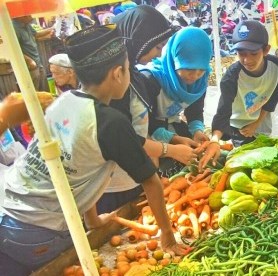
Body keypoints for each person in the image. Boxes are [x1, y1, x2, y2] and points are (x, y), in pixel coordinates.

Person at [0, 24, 189, 275]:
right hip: (35, 229)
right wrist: (168, 236)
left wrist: (93, 221)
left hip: (7, 205)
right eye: (127, 69)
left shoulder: (65, 100)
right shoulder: (109, 122)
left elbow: (82, 168)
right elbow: (151, 182)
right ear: (117, 73)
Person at [97, 5, 196, 214]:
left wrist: (174, 142)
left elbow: (143, 127)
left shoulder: (134, 76)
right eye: (158, 46)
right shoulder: (112, 83)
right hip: (110, 186)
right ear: (140, 41)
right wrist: (172, 150)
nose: (159, 53)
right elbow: (124, 140)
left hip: (135, 179)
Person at [199, 20, 278, 170]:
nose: (247, 60)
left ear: (266, 50)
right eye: (241, 54)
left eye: (253, 53)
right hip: (239, 126)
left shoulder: (276, 67)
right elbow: (223, 111)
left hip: (262, 119)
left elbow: (273, 98)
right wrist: (214, 140)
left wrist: (257, 123)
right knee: (249, 166)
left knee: (268, 164)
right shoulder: (232, 77)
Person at [140, 26, 212, 177]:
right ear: (174, 60)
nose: (195, 76)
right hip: (147, 134)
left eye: (201, 70)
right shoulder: (150, 79)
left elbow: (195, 111)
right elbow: (145, 123)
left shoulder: (200, 82)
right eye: (189, 69)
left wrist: (197, 130)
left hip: (172, 125)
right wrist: (174, 140)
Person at [12, 15, 54, 91]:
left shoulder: (26, 25)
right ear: (21, 16)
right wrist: (29, 61)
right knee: (34, 92)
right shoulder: (14, 28)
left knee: (44, 91)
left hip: (38, 63)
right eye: (28, 15)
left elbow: (36, 34)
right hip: (29, 67)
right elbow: (13, 49)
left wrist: (51, 29)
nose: (31, 17)